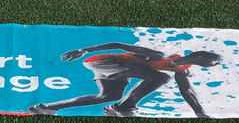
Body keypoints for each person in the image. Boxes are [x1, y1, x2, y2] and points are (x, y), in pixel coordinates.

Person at [28, 42, 222, 117]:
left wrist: (200, 112)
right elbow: (119, 45)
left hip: (123, 69)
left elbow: (187, 91)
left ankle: (46, 107)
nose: (215, 64)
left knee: (108, 97)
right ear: (199, 56)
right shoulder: (161, 55)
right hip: (105, 61)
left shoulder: (183, 70)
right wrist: (84, 50)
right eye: (213, 61)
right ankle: (124, 108)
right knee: (161, 77)